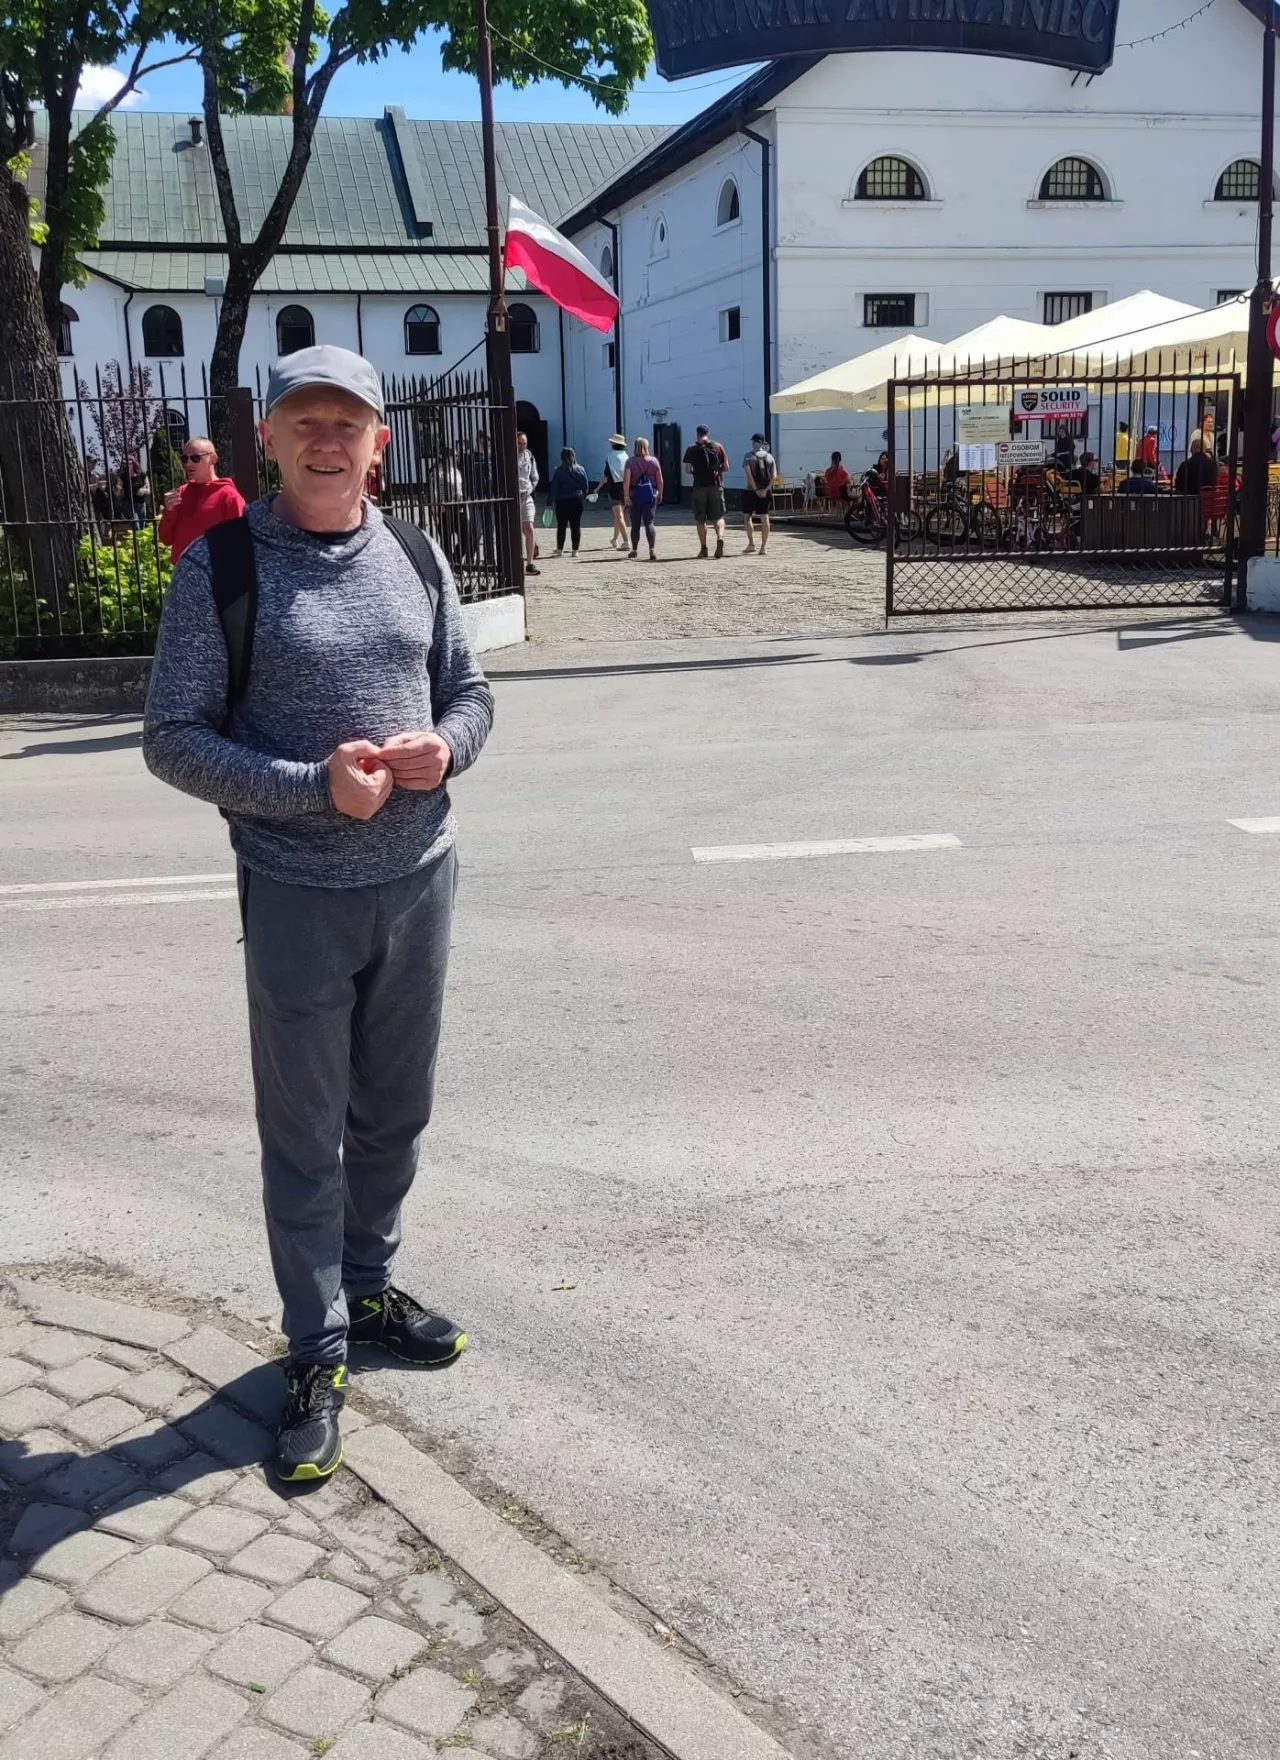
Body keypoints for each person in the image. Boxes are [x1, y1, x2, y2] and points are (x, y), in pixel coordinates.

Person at [142, 345, 494, 1483]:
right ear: (271, 440)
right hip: (296, 891)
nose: (329, 440)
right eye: (307, 421)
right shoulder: (223, 566)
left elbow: (472, 692)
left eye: (350, 422)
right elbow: (172, 738)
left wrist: (448, 749)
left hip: (420, 878)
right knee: (305, 1132)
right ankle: (316, 1346)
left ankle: (371, 1286)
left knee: (394, 1113)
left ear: (379, 441)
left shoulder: (414, 550)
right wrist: (311, 789)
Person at [157, 437, 245, 561]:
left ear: (212, 459)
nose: (188, 464)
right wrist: (169, 511)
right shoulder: (180, 493)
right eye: (184, 459)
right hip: (182, 570)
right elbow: (165, 538)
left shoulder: (229, 496)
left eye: (195, 458)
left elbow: (239, 542)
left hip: (214, 570)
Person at [682, 423, 728, 559]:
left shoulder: (692, 449)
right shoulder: (718, 447)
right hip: (716, 486)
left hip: (699, 487)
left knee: (701, 519)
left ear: (697, 434)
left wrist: (697, 471)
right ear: (708, 433)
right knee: (718, 517)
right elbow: (726, 467)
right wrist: (717, 471)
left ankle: (703, 548)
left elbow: (687, 470)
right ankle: (720, 537)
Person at [623, 436, 663, 560]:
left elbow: (626, 480)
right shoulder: (654, 461)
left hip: (635, 495)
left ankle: (634, 550)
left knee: (635, 524)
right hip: (651, 494)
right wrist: (660, 493)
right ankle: (652, 550)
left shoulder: (630, 462)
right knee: (649, 522)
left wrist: (626, 495)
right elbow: (660, 480)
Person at [549, 447, 589, 557]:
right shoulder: (581, 469)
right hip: (577, 500)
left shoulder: (559, 471)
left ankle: (560, 549)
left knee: (561, 526)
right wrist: (583, 496)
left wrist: (549, 501)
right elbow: (585, 485)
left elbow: (554, 488)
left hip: (562, 501)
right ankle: (575, 550)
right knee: (576, 525)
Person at [742, 433, 776, 555]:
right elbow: (774, 476)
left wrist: (756, 489)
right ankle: (763, 547)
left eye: (754, 441)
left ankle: (751, 544)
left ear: (757, 442)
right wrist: (766, 489)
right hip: (765, 491)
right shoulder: (770, 457)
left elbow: (748, 474)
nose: (753, 443)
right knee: (764, 517)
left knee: (747, 516)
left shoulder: (748, 457)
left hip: (750, 491)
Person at [600, 434, 629, 550]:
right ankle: (615, 538)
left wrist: (597, 488)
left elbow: (606, 476)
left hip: (614, 488)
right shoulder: (626, 456)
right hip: (625, 487)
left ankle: (626, 541)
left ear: (614, 444)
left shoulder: (610, 457)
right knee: (619, 515)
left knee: (619, 516)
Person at [517, 430, 539, 576]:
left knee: (529, 528)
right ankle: (516, 560)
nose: (522, 446)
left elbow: (535, 477)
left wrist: (530, 489)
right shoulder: (508, 456)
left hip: (527, 497)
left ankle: (530, 563)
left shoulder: (529, 456)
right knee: (517, 531)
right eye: (519, 443)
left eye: (524, 443)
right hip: (513, 498)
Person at [113, 454, 151, 528]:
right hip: (129, 504)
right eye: (125, 464)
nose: (126, 465)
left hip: (141, 503)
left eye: (129, 463)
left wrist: (143, 490)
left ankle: (139, 536)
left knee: (142, 526)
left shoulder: (142, 475)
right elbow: (118, 492)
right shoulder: (122, 476)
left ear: (133, 463)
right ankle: (136, 535)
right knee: (136, 525)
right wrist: (117, 488)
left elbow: (149, 490)